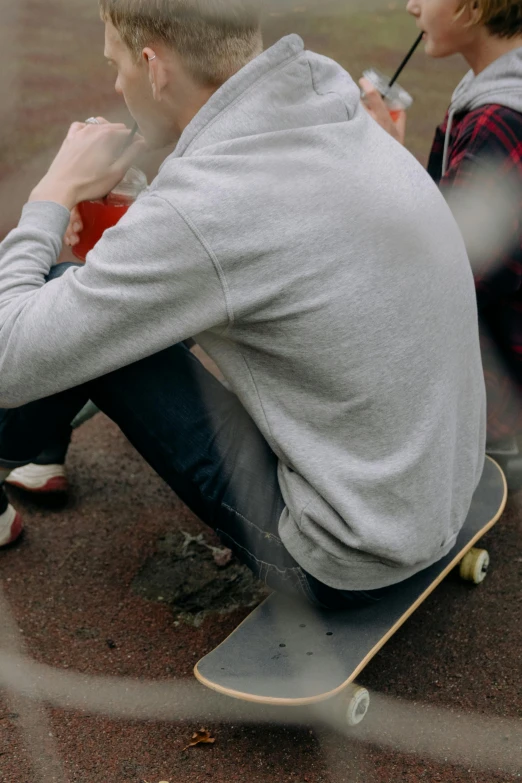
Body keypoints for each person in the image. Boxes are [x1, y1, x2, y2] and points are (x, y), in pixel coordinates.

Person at [0, 0, 485, 610]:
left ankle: (17, 450)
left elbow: (7, 358)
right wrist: (143, 213)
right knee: (104, 304)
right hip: (438, 492)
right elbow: (251, 243)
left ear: (153, 67)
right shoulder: (326, 105)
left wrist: (53, 192)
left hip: (344, 556)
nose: (116, 83)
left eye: (116, 64)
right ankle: (30, 453)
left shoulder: (207, 208)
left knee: (61, 294)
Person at [360, 0, 522, 473]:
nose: (410, 6)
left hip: (495, 382)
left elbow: (444, 275)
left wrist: (384, 165)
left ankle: (488, 453)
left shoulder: (501, 120)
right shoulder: (487, 86)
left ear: (473, 7)